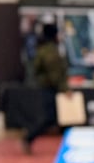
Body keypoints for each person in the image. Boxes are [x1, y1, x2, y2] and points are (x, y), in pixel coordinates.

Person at [22, 21, 69, 154]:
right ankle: (29, 137)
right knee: (49, 118)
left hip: (48, 88)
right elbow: (55, 74)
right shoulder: (50, 51)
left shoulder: (44, 48)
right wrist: (65, 89)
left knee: (56, 118)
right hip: (50, 89)